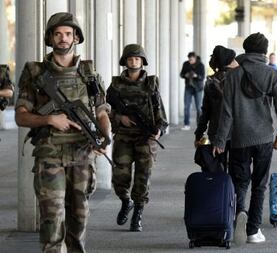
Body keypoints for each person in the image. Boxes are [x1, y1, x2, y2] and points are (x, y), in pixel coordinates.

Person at [15, 12, 111, 252]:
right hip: (50, 157)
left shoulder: (89, 73)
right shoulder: (35, 73)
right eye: (57, 34)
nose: (63, 38)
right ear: (50, 38)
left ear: (76, 37)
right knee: (52, 221)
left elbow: (101, 113)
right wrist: (49, 118)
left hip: (82, 155)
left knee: (78, 222)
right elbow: (20, 116)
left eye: (68, 33)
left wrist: (104, 138)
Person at [212, 33, 277, 244]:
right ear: (263, 51)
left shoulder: (232, 76)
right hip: (263, 138)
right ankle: (253, 230)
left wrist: (220, 140)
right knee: (260, 185)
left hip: (239, 137)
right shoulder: (271, 74)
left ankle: (240, 211)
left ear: (245, 49)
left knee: (239, 181)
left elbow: (227, 112)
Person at [106, 44, 168, 232]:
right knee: (120, 176)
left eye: (137, 59)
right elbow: (105, 110)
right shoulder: (116, 85)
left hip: (146, 138)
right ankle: (126, 201)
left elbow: (160, 112)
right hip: (124, 137)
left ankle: (138, 213)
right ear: (125, 61)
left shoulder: (151, 83)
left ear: (143, 62)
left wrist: (159, 129)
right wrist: (119, 118)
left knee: (143, 177)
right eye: (131, 59)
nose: (134, 62)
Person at [194, 45, 238, 171]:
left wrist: (199, 134)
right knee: (237, 170)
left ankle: (221, 190)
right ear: (228, 63)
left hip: (216, 132)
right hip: (237, 133)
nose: (237, 62)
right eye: (234, 60)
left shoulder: (211, 81)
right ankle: (232, 190)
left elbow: (205, 112)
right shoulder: (238, 79)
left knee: (217, 169)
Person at [180, 52, 205, 130]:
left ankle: (199, 126)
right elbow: (181, 74)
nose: (190, 61)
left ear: (195, 58)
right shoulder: (186, 64)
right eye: (189, 59)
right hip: (188, 87)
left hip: (198, 88)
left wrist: (196, 76)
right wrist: (186, 75)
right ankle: (186, 124)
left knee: (199, 108)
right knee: (186, 107)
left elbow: (202, 77)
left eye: (191, 59)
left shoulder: (201, 65)